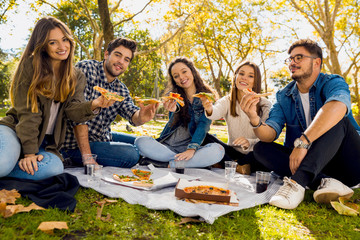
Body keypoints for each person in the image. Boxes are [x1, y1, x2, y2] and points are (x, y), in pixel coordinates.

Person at [241, 39, 360, 209]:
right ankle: (324, 182)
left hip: (348, 164)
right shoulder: (284, 95)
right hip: (314, 164)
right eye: (290, 59)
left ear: (316, 62)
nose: (292, 63)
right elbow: (270, 134)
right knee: (261, 148)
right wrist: (253, 118)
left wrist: (303, 142)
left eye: (298, 58)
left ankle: (298, 184)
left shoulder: (333, 82)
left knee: (337, 118)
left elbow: (338, 106)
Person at [0, 17, 112, 180]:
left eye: (65, 39)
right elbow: (28, 114)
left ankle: (12, 167)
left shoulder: (76, 76)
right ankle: (10, 163)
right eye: (53, 42)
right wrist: (30, 153)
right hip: (16, 130)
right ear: (43, 46)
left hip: (45, 143)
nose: (62, 47)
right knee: (3, 163)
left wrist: (95, 104)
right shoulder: (30, 66)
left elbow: (74, 112)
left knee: (53, 168)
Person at [61, 37, 159, 168]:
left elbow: (132, 114)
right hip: (74, 145)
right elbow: (78, 119)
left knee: (146, 143)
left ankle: (154, 158)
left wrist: (141, 117)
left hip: (102, 137)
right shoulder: (86, 69)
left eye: (126, 59)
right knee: (131, 154)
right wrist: (87, 157)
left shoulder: (120, 88)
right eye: (117, 55)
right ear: (106, 54)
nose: (121, 62)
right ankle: (71, 159)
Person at [134, 57, 225, 168]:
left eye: (184, 71)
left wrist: (192, 149)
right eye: (176, 76)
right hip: (166, 148)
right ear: (174, 80)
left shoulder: (206, 97)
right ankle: (183, 163)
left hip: (190, 150)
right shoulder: (174, 97)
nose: (181, 77)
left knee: (218, 150)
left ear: (192, 70)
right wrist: (174, 111)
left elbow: (203, 124)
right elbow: (175, 113)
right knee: (140, 141)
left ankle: (169, 164)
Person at [199, 60, 272, 174]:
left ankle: (228, 164)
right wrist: (209, 108)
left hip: (254, 152)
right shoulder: (228, 100)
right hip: (232, 151)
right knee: (203, 136)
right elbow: (215, 112)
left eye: (250, 76)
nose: (244, 78)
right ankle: (238, 166)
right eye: (241, 74)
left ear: (255, 81)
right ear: (235, 76)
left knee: (267, 153)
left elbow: (267, 135)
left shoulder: (265, 104)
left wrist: (249, 142)